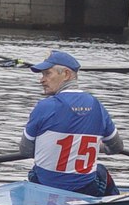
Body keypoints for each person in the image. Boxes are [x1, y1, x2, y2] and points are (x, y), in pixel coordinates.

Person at [18, 49, 123, 196]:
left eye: (47, 74)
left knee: (35, 171)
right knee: (100, 170)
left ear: (66, 74)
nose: (41, 80)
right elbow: (116, 147)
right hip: (85, 190)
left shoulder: (44, 106)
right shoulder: (97, 106)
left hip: (44, 187)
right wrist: (96, 146)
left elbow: (26, 151)